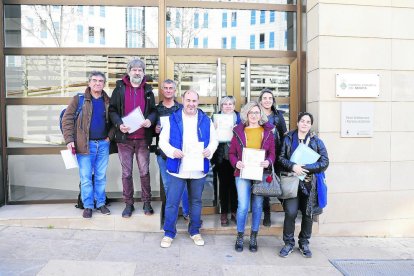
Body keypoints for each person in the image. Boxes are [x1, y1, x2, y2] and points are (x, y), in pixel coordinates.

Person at [159, 90, 218, 248]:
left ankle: (195, 231)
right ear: (183, 101)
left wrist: (210, 150)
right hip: (178, 168)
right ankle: (169, 233)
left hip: (198, 169)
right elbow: (162, 141)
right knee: (172, 202)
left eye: (194, 101)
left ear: (198, 102)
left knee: (196, 202)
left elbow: (214, 140)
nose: (191, 104)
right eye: (188, 100)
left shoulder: (206, 120)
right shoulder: (174, 118)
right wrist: (172, 151)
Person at [109, 59, 157, 218]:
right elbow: (113, 110)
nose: (137, 72)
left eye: (140, 70)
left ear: (143, 73)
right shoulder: (119, 89)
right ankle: (128, 204)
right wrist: (118, 124)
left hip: (143, 139)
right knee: (126, 173)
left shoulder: (148, 90)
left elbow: (154, 111)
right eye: (134, 69)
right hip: (125, 139)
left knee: (144, 172)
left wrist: (150, 120)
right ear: (129, 71)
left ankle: (146, 202)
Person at [62, 71, 113, 219]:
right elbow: (67, 120)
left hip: (103, 145)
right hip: (84, 145)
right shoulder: (79, 100)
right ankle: (88, 205)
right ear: (89, 83)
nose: (98, 83)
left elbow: (114, 122)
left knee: (100, 177)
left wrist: (109, 137)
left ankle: (101, 203)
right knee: (85, 177)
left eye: (101, 81)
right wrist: (69, 140)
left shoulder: (108, 101)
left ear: (104, 84)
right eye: (95, 80)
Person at [278, 112, 329, 258]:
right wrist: (293, 166)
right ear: (297, 122)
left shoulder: (316, 141)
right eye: (302, 121)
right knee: (291, 212)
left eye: (308, 121)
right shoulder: (288, 138)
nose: (305, 123)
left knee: (308, 214)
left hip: (309, 184)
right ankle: (288, 243)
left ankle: (304, 242)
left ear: (310, 125)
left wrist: (307, 167)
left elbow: (325, 162)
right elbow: (280, 158)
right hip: (292, 182)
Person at [228, 101, 275, 252]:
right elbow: (231, 153)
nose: (254, 115)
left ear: (260, 114)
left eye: (256, 112)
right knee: (242, 206)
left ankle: (254, 236)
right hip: (242, 173)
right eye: (251, 112)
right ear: (246, 114)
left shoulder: (267, 131)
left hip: (260, 173)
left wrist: (268, 161)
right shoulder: (238, 130)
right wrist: (237, 163)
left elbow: (273, 153)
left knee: (257, 206)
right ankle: (240, 235)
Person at [155, 79, 189, 220]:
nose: (168, 90)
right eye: (166, 88)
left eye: (171, 88)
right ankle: (171, 216)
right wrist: (154, 130)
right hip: (163, 153)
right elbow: (149, 131)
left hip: (181, 153)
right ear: (162, 90)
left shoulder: (182, 109)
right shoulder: (156, 110)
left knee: (185, 185)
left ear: (175, 91)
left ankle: (187, 213)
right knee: (168, 185)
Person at [258, 88, 288, 227]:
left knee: (277, 182)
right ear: (260, 100)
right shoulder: (255, 114)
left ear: (273, 101)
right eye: (265, 98)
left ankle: (287, 210)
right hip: (259, 155)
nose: (267, 100)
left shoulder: (278, 116)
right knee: (263, 184)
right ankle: (266, 213)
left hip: (274, 154)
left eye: (270, 98)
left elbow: (284, 135)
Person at [211, 96, 240, 226]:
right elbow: (209, 135)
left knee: (235, 185)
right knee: (223, 185)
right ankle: (224, 213)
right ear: (221, 106)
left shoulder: (240, 118)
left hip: (237, 157)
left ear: (234, 106)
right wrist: (214, 128)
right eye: (225, 104)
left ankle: (234, 211)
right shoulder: (215, 118)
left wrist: (238, 129)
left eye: (230, 104)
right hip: (221, 156)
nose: (228, 106)